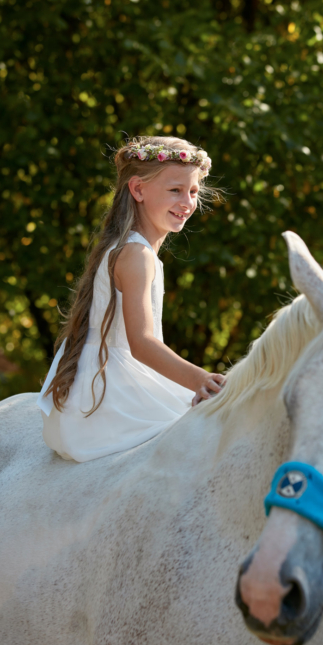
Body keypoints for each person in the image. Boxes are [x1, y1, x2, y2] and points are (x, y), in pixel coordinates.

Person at [37, 136, 225, 462]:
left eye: (193, 192)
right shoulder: (137, 254)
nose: (188, 202)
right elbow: (141, 342)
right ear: (138, 190)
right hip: (110, 395)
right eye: (175, 190)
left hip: (102, 385)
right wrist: (202, 379)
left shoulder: (128, 248)